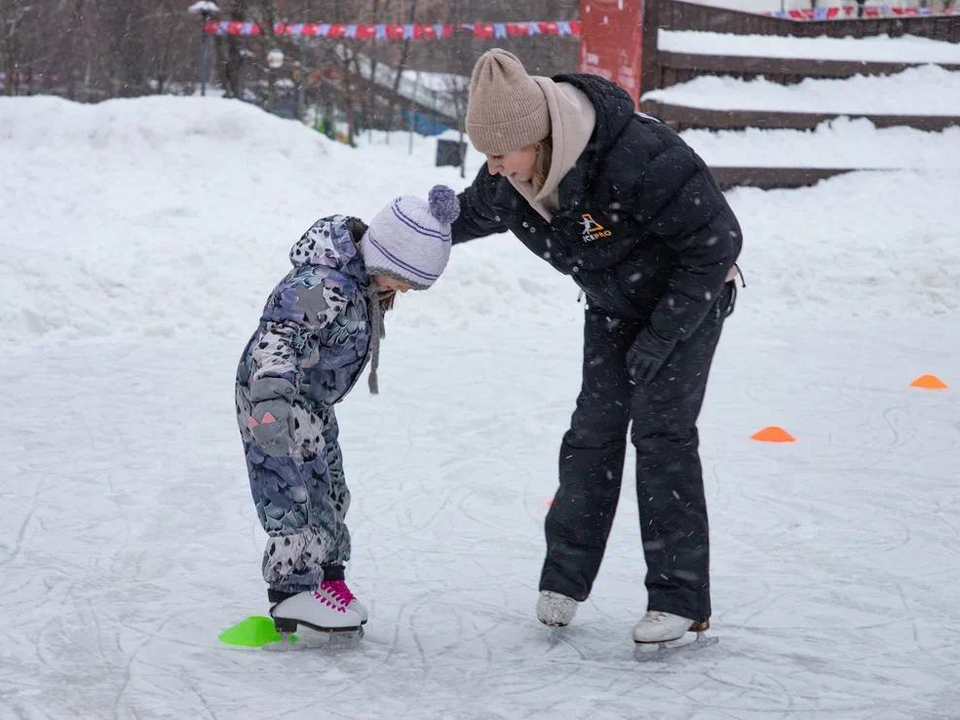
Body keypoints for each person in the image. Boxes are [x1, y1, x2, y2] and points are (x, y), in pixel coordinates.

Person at [451, 50, 742, 644]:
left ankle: (680, 598)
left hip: (688, 302)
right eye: (486, 155)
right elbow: (458, 218)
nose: (492, 167)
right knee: (592, 433)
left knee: (661, 434)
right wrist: (385, 236)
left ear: (537, 136)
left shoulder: (638, 156)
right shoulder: (511, 178)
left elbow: (717, 241)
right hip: (614, 309)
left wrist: (663, 334)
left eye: (499, 153)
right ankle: (564, 580)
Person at [235, 186, 460, 634]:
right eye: (405, 280)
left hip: (312, 403)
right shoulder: (323, 283)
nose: (404, 291)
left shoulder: (361, 284)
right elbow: (279, 334)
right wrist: (272, 401)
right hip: (274, 398)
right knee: (291, 491)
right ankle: (292, 590)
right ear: (385, 258)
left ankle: (327, 579)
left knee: (329, 489)